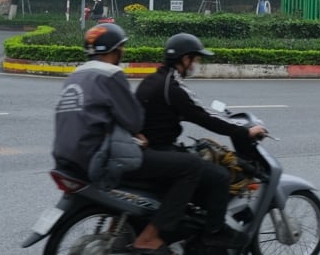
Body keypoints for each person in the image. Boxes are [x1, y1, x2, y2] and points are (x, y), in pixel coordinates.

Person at [52, 23, 206, 255]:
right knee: (191, 167)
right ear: (114, 50)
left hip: (65, 158)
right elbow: (134, 119)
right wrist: (136, 132)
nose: (123, 52)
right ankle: (151, 236)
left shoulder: (77, 74)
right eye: (121, 48)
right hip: (96, 159)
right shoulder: (111, 74)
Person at [136, 33, 268, 251]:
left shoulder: (154, 79)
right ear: (185, 59)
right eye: (196, 60)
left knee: (197, 160)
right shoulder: (173, 87)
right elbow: (204, 117)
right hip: (158, 150)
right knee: (219, 175)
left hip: (151, 148)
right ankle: (213, 232)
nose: (196, 64)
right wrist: (245, 132)